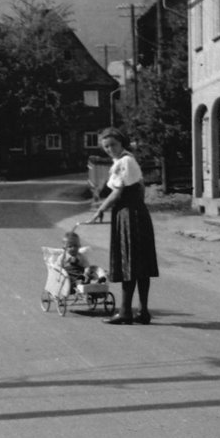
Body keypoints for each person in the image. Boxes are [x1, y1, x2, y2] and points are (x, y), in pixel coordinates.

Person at [89, 127, 158, 325]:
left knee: (130, 262)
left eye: (113, 145)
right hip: (137, 214)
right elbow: (141, 188)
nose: (110, 149)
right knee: (141, 264)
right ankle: (142, 312)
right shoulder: (124, 161)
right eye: (106, 146)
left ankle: (126, 312)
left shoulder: (125, 161)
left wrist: (100, 209)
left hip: (129, 216)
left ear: (122, 143)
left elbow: (117, 193)